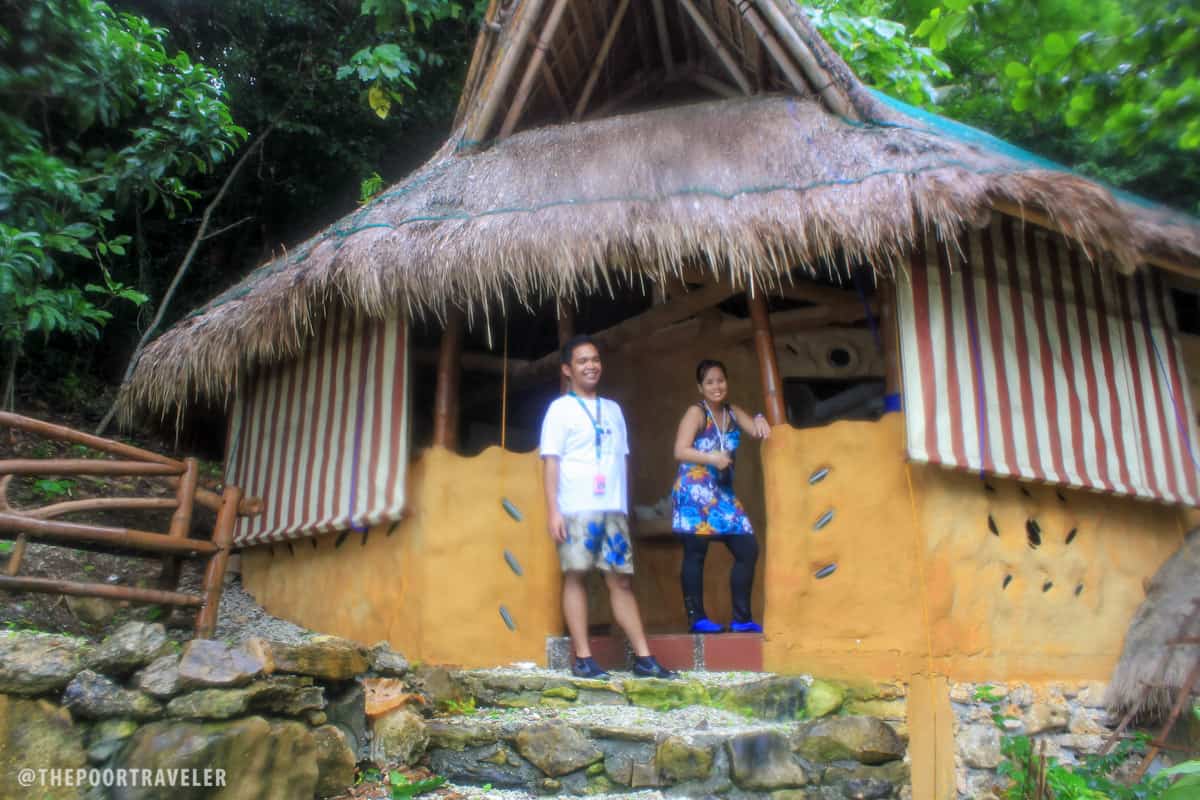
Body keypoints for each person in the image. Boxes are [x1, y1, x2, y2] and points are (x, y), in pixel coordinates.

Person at [540, 335, 678, 680]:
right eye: (583, 361)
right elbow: (551, 463)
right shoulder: (560, 410)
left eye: (595, 359)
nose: (591, 366)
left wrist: (624, 504)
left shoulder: (613, 410)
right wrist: (553, 510)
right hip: (575, 508)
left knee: (621, 582)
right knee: (576, 577)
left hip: (612, 509)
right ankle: (583, 658)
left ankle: (644, 659)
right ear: (567, 369)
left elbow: (622, 461)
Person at [671, 359, 771, 633]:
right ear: (700, 388)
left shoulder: (732, 411)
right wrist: (712, 458)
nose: (717, 386)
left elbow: (757, 431)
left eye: (721, 380)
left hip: (723, 495)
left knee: (748, 548)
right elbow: (680, 450)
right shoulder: (696, 413)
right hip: (695, 491)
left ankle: (742, 619)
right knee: (696, 553)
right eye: (710, 382)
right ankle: (697, 619)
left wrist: (761, 417)